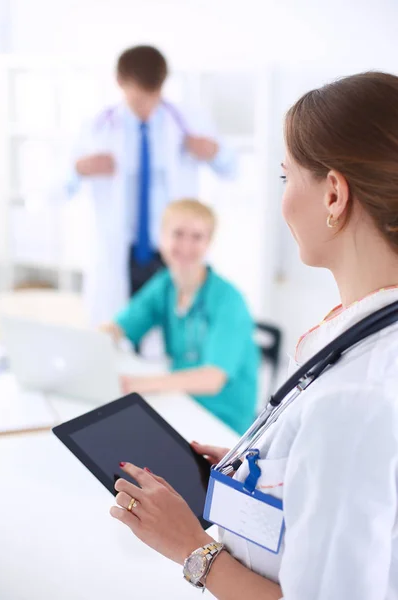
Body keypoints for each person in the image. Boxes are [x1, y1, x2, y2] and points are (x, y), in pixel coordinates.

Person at [109, 72, 398, 599]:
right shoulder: (363, 341)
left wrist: (191, 549)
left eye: (288, 178)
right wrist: (256, 480)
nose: (283, 199)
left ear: (334, 193)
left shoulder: (358, 397)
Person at [66, 45, 237, 326]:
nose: (146, 108)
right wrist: (80, 168)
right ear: (120, 83)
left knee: (171, 330)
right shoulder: (96, 128)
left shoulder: (188, 122)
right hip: (122, 251)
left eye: (153, 97)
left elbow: (232, 169)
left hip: (172, 249)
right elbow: (55, 189)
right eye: (138, 99)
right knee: (118, 330)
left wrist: (213, 152)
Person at [102, 199, 259, 435]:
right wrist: (94, 341)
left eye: (197, 237)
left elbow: (212, 379)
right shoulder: (164, 286)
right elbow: (120, 326)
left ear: (209, 243)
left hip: (222, 422)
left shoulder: (229, 300)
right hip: (180, 401)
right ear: (162, 237)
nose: (186, 245)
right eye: (177, 234)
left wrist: (138, 384)